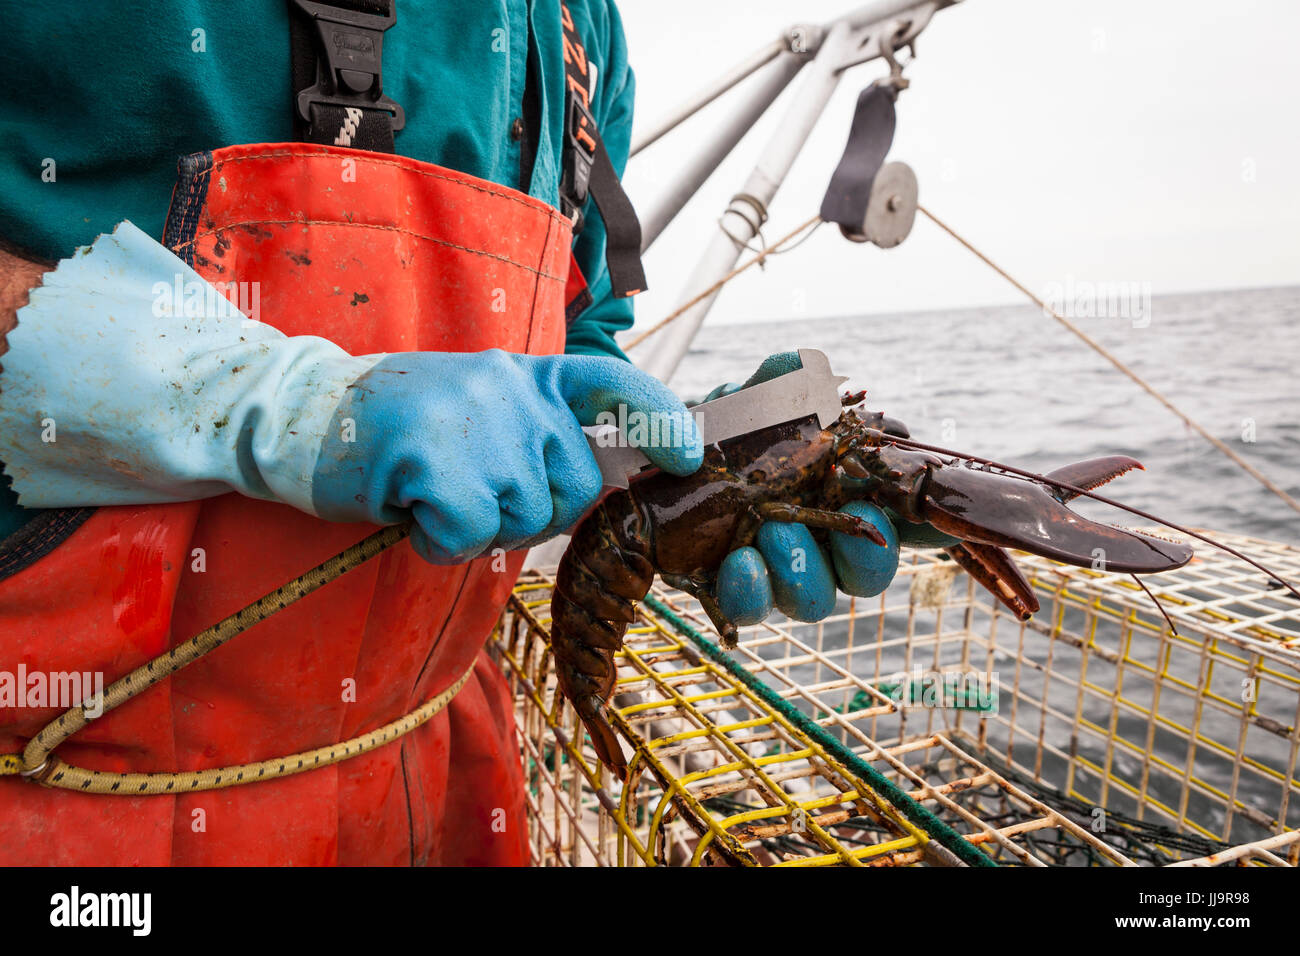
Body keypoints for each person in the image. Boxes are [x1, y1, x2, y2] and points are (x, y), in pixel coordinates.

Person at [0, 0, 900, 865]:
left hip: (435, 757)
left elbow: (578, 335)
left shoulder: (578, 25)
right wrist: (286, 402)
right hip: (60, 797)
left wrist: (671, 467)